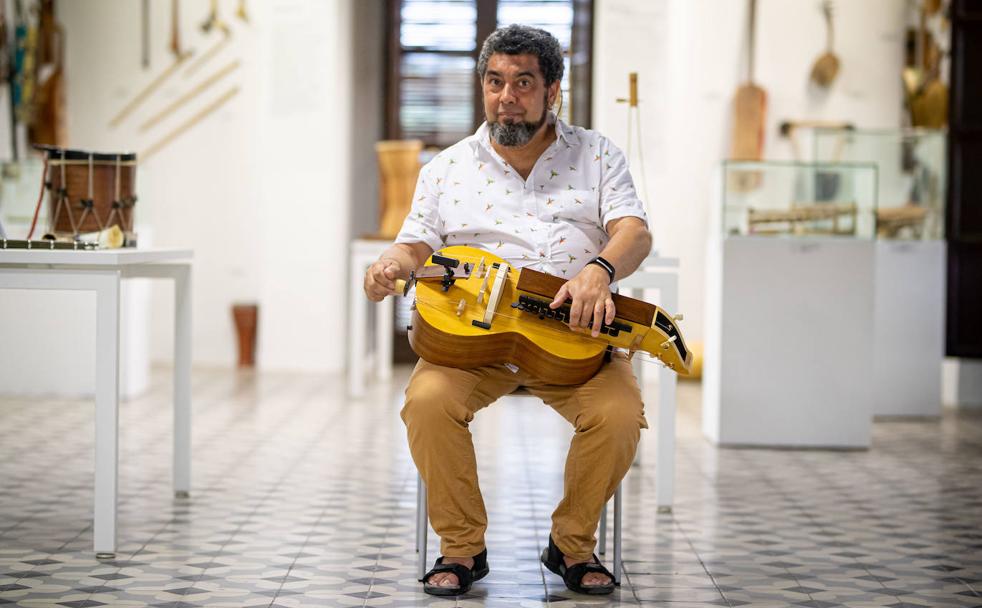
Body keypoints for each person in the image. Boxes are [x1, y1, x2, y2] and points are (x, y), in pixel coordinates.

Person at [363, 24, 652, 597]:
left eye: (523, 82)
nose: (507, 96)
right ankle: (462, 549)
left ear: (552, 91)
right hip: (473, 342)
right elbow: (415, 241)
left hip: (574, 338)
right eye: (495, 81)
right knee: (426, 402)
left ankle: (571, 547)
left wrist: (600, 269)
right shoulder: (446, 167)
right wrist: (390, 264)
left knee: (619, 415)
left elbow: (633, 232)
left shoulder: (596, 153)